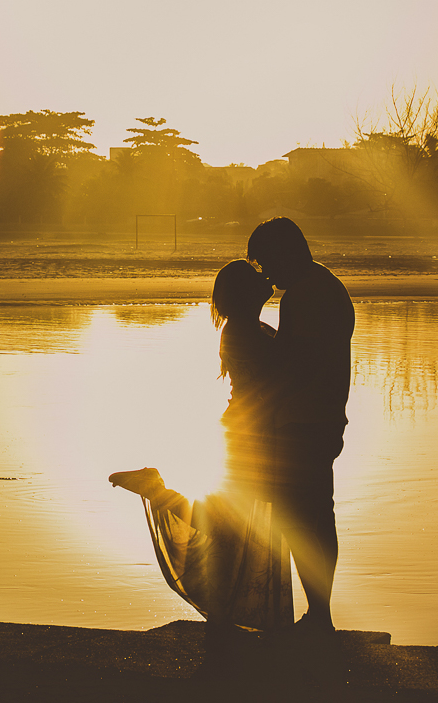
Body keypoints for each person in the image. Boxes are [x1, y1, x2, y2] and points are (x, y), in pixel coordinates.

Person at [109, 259, 294, 632]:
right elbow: (281, 374)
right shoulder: (242, 331)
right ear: (243, 294)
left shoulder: (247, 328)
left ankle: (224, 615)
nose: (264, 277)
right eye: (254, 277)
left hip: (250, 434)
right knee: (227, 530)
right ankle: (156, 491)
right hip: (250, 438)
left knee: (230, 528)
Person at [247, 217, 355, 636]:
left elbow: (295, 367)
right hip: (325, 417)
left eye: (266, 263)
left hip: (301, 422)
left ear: (285, 253)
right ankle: (320, 613)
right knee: (320, 515)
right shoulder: (327, 285)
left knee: (297, 518)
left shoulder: (303, 296)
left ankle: (318, 615)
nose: (267, 276)